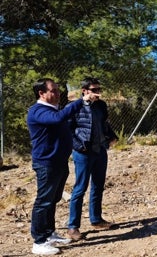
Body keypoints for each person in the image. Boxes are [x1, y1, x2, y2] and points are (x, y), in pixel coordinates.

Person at [27, 78, 98, 255]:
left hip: (59, 162)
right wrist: (82, 101)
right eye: (53, 91)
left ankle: (49, 233)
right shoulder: (38, 111)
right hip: (46, 164)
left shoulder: (52, 109)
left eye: (58, 90)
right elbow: (59, 118)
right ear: (41, 93)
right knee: (44, 201)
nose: (58, 93)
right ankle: (39, 241)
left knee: (53, 199)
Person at [67, 77, 118, 241]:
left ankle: (96, 219)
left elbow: (104, 123)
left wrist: (111, 137)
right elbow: (67, 130)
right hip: (83, 153)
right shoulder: (74, 107)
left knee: (98, 186)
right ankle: (73, 227)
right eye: (94, 90)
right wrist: (78, 146)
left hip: (100, 150)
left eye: (98, 89)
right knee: (80, 188)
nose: (98, 93)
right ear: (84, 91)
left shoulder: (101, 105)